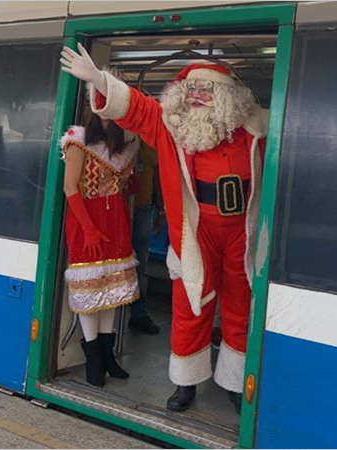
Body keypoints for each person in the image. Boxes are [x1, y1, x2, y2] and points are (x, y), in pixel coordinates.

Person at [61, 44, 268, 414]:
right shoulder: (171, 128)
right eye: (191, 92)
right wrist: (99, 80)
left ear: (225, 97)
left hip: (244, 233)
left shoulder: (256, 128)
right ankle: (185, 383)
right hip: (195, 232)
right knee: (191, 304)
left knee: (240, 309)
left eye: (207, 91)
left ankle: (235, 383)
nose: (198, 98)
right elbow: (137, 107)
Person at [60, 110, 140, 387]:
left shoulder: (125, 146)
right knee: (90, 286)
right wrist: (90, 229)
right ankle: (93, 358)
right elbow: (70, 187)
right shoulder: (78, 139)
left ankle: (107, 356)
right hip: (87, 219)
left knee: (112, 286)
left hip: (115, 218)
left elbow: (127, 187)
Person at [128, 140, 164, 335]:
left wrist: (161, 211)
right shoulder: (120, 140)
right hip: (119, 209)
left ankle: (138, 314)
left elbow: (157, 179)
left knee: (140, 265)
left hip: (143, 209)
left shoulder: (152, 144)